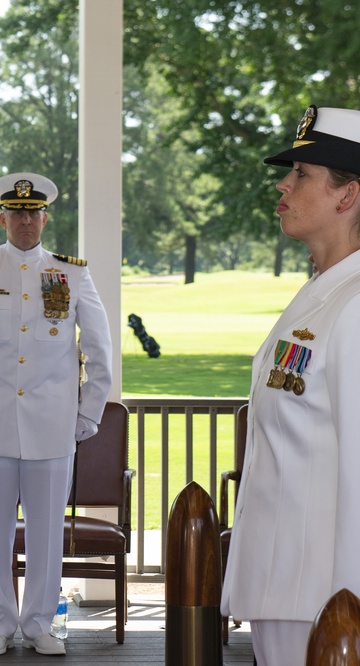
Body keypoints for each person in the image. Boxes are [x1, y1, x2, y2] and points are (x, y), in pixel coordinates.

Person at [0, 172, 112, 656]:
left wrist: (88, 412)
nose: (24, 220)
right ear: (2, 217)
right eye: (15, 213)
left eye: (32, 212)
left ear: (44, 217)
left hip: (52, 425)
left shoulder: (72, 274)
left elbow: (100, 350)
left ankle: (40, 623)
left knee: (46, 533)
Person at [221, 105, 360, 666]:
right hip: (289, 590)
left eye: (302, 174)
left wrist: (349, 612)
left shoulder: (353, 307)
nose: (283, 183)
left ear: (347, 196)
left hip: (325, 606)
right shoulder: (322, 293)